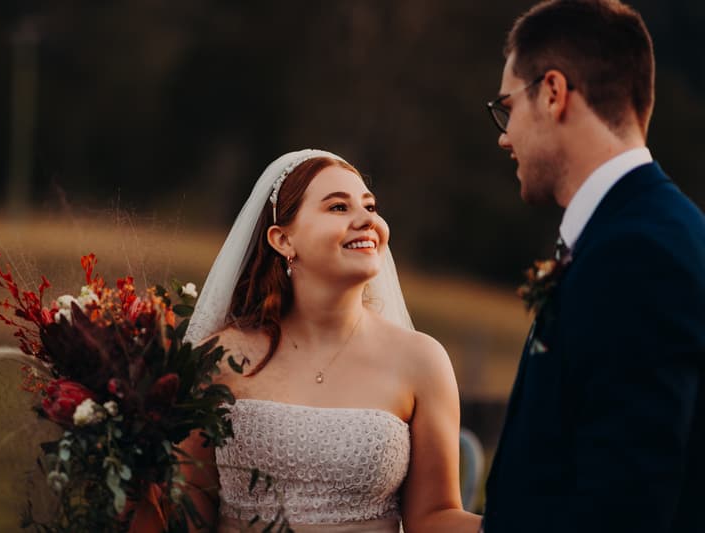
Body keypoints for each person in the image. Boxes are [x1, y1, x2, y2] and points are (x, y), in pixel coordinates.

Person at [483, 1, 705, 532]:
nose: (503, 135)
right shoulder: (643, 229)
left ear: (554, 93)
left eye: (506, 107)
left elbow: (625, 502)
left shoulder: (641, 254)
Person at [179, 149, 481, 532]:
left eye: (370, 206)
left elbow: (434, 517)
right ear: (283, 239)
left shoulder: (421, 360)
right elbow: (187, 501)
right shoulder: (219, 357)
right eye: (338, 207)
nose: (366, 220)